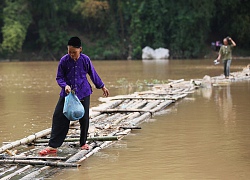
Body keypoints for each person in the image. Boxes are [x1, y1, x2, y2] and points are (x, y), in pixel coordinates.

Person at [39, 36, 109, 155]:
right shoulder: (64, 61)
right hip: (67, 93)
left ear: (80, 49)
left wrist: (102, 86)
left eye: (74, 52)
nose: (71, 54)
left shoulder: (85, 60)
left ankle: (83, 143)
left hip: (83, 91)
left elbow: (93, 74)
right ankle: (52, 146)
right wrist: (65, 85)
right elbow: (59, 77)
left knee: (84, 118)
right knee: (59, 117)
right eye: (69, 52)